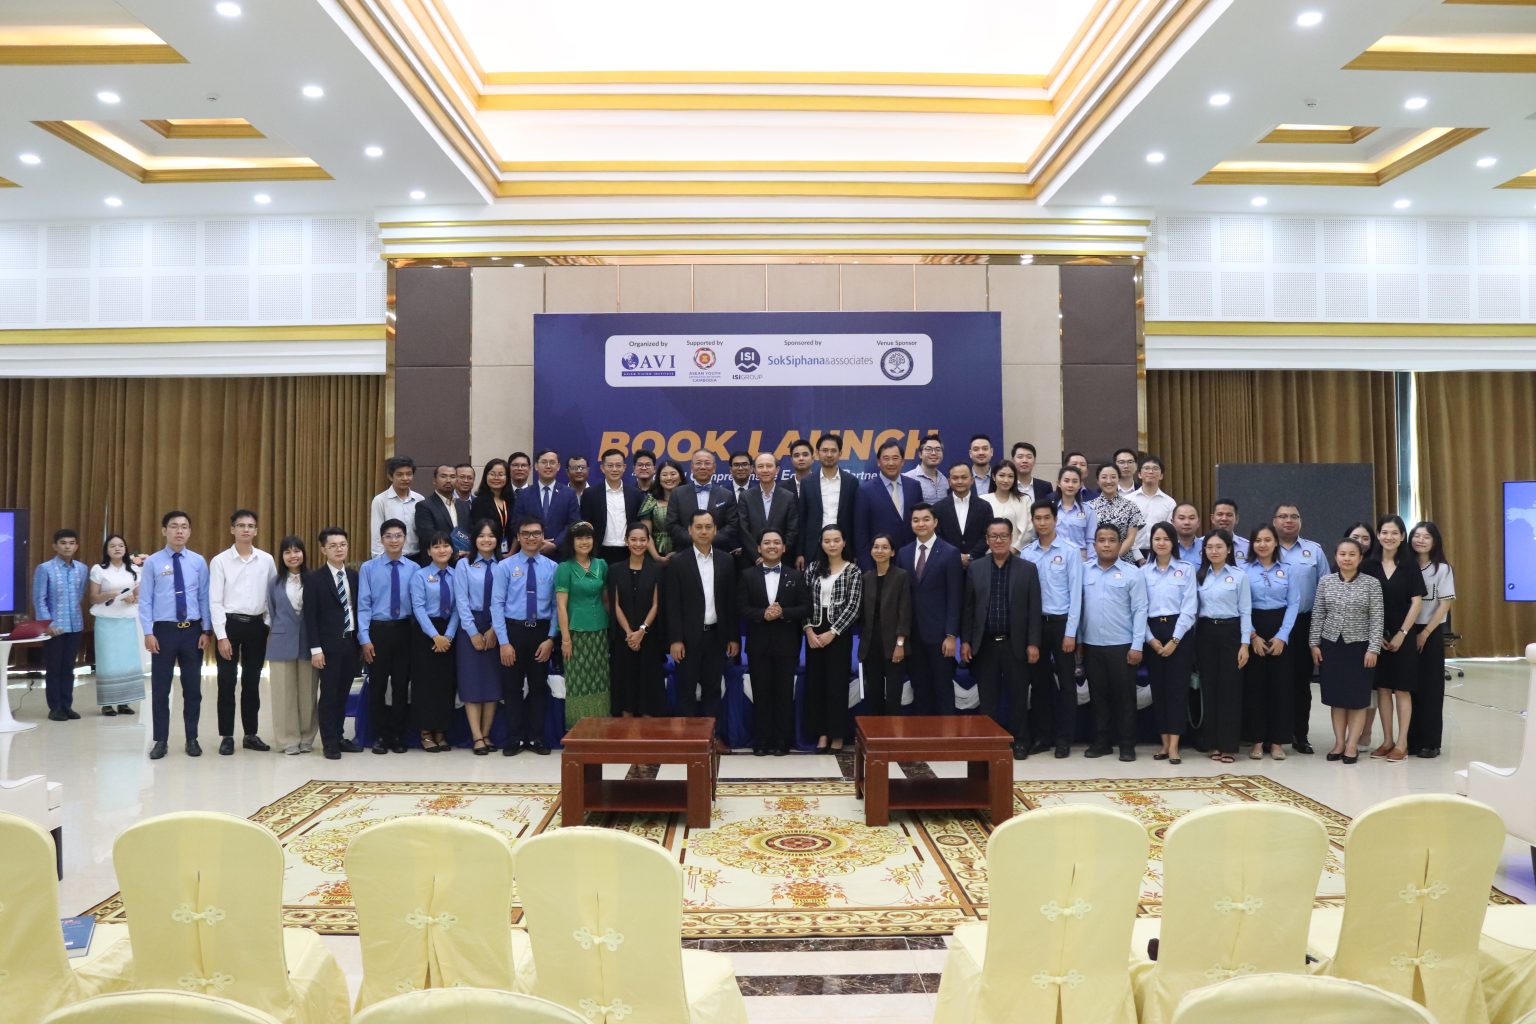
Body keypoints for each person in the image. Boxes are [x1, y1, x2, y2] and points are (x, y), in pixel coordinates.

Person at [961, 518, 1042, 758]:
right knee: (988, 699)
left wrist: (1033, 642)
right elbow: (968, 608)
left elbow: (1034, 609)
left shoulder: (1027, 569)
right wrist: (966, 641)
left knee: (1018, 697)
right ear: (987, 540)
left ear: (1011, 538)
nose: (999, 540)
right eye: (994, 536)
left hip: (1015, 644)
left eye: (1003, 535)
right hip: (985, 645)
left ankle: (1020, 742)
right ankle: (990, 742)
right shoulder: (975, 568)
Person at [666, 509, 740, 752]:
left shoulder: (726, 560)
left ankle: (712, 738)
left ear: (715, 530)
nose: (704, 531)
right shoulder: (678, 561)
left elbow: (730, 602)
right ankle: (688, 740)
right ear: (689, 530)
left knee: (713, 689)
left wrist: (733, 637)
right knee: (686, 690)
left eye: (708, 527)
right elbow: (672, 604)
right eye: (698, 527)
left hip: (717, 635)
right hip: (688, 639)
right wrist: (675, 639)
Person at [140, 511, 212, 759]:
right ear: (164, 531)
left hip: (192, 632)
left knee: (192, 689)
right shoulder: (153, 562)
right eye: (174, 526)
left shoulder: (198, 562)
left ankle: (192, 738)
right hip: (164, 632)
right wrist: (148, 632)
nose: (179, 531)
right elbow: (145, 600)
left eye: (184, 526)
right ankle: (160, 740)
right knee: (160, 689)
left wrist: (206, 630)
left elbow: (204, 597)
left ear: (189, 531)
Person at [1310, 538, 1384, 765]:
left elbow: (1377, 618)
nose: (1347, 558)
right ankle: (1339, 743)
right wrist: (1314, 644)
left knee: (1357, 699)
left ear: (1360, 558)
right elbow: (1318, 614)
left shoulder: (1372, 584)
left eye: (1352, 554)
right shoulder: (1326, 582)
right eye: (1342, 554)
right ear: (1336, 557)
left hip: (1360, 648)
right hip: (1331, 646)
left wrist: (1373, 648)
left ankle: (1352, 745)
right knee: (1337, 699)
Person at [209, 509, 276, 755]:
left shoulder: (266, 560)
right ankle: (227, 736)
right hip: (230, 625)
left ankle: (251, 734)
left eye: (250, 526)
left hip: (257, 626)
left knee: (252, 682)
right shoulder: (220, 561)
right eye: (241, 525)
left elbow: (273, 596)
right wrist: (222, 636)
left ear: (256, 531)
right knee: (226, 683)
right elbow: (215, 601)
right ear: (232, 529)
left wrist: (268, 625)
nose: (246, 529)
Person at [1079, 523, 1148, 761]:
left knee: (1125, 698)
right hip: (1092, 645)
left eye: (1111, 540)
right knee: (1098, 697)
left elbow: (1140, 610)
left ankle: (1127, 744)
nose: (1106, 545)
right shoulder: (1084, 571)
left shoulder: (1133, 573)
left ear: (1120, 544)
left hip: (1123, 645)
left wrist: (1137, 645)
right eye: (1101, 540)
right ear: (1095, 544)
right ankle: (1102, 743)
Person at [1022, 501, 1084, 758]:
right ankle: (1043, 737)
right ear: (1033, 521)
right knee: (1038, 684)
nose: (1042, 522)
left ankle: (1064, 739)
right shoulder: (1027, 553)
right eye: (1037, 518)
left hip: (1061, 624)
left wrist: (1071, 633)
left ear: (1055, 520)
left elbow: (1076, 595)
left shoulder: (1070, 551)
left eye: (1047, 518)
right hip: (1036, 625)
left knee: (1067, 684)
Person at [741, 527, 810, 754]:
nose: (772, 546)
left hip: (787, 644)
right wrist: (763, 614)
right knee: (761, 693)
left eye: (776, 542)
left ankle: (782, 741)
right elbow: (740, 608)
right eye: (767, 542)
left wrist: (783, 613)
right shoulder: (747, 575)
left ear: (784, 548)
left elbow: (805, 608)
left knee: (783, 693)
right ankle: (761, 740)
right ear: (759, 548)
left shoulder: (796, 576)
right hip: (758, 644)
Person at [493, 518, 559, 756]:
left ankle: (536, 737)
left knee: (539, 686)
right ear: (518, 537)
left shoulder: (553, 567)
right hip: (513, 631)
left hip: (541, 632)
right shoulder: (505, 566)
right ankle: (515, 738)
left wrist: (551, 638)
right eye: (526, 534)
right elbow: (497, 605)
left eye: (536, 533)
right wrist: (504, 642)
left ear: (543, 537)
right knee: (512, 687)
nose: (531, 538)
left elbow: (556, 606)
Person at [1367, 514, 1427, 763]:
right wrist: (1376, 634)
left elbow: (1417, 602)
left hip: (1404, 635)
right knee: (1383, 689)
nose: (1389, 537)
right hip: (1377, 635)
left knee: (1402, 689)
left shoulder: (1410, 566)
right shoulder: (1368, 566)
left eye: (1394, 533)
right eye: (1384, 532)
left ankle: (1402, 743)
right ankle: (1387, 740)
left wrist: (1402, 633)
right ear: (1378, 535)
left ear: (1402, 536)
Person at [358, 519, 419, 755]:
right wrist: (365, 638)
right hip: (378, 631)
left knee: (402, 686)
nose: (394, 540)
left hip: (405, 631)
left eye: (398, 536)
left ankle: (398, 735)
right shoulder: (369, 568)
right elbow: (363, 605)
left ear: (405, 539)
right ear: (381, 540)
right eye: (389, 536)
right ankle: (380, 736)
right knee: (378, 685)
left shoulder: (414, 569)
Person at [896, 503, 962, 715]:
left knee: (943, 690)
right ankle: (923, 734)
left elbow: (955, 596)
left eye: (926, 519)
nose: (921, 524)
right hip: (913, 635)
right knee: (920, 690)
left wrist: (951, 635)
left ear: (935, 522)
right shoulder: (904, 553)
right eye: (916, 520)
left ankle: (948, 735)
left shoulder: (950, 553)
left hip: (940, 636)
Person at [304, 526, 363, 761]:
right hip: (327, 648)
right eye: (333, 546)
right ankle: (329, 742)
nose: (339, 549)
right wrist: (315, 649)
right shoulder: (314, 579)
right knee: (329, 695)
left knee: (343, 693)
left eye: (343, 545)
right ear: (323, 550)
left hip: (351, 644)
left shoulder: (354, 576)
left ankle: (339, 736)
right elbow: (310, 617)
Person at [1273, 503, 1328, 753]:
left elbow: (1325, 590)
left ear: (1300, 521)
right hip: (1273, 623)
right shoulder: (1265, 547)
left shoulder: (1314, 551)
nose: (1288, 521)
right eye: (1283, 516)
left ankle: (1300, 735)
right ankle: (1273, 735)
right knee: (1274, 682)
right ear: (1274, 521)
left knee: (1301, 683)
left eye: (1294, 516)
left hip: (1304, 623)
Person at [1194, 529, 1252, 763]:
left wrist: (1245, 644)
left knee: (1230, 690)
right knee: (1209, 688)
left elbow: (1246, 611)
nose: (1214, 551)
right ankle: (1212, 743)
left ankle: (1228, 745)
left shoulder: (1239, 576)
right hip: (1205, 633)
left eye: (1219, 547)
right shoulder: (1199, 576)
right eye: (1209, 547)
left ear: (1229, 549)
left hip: (1231, 633)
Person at [1243, 524, 1300, 761]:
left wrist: (1282, 636)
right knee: (1255, 687)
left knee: (1281, 688)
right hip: (1253, 627)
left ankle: (1277, 742)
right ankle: (1257, 740)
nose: (1263, 544)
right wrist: (1252, 636)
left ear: (1275, 542)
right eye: (1258, 540)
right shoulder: (1244, 570)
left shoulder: (1288, 569)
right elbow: (1241, 605)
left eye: (1267, 540)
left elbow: (1294, 603)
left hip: (1281, 629)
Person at [802, 525, 862, 752]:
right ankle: (822, 733)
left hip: (839, 633)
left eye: (836, 540)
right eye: (827, 541)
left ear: (844, 542)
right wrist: (808, 630)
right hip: (814, 631)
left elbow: (853, 607)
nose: (832, 544)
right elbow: (803, 601)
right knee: (816, 684)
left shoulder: (853, 570)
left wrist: (833, 631)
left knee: (837, 684)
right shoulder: (812, 568)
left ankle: (837, 734)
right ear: (821, 543)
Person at [1140, 522, 1196, 764]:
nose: (1161, 543)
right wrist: (1151, 640)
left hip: (1179, 633)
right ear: (1151, 543)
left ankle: (1174, 746)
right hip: (1153, 633)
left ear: (1173, 542)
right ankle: (1163, 743)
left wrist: (1175, 639)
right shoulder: (1143, 573)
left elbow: (1190, 608)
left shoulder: (1186, 570)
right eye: (1157, 539)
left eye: (1166, 539)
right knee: (1159, 690)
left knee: (1176, 691)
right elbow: (1139, 610)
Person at [553, 522, 611, 726]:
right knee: (578, 681)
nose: (584, 542)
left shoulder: (601, 565)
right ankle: (579, 728)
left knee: (600, 679)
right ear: (572, 542)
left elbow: (606, 600)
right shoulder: (564, 568)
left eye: (588, 537)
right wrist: (565, 639)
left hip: (600, 631)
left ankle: (601, 726)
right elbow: (561, 606)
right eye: (579, 538)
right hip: (575, 633)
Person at [454, 520, 503, 753]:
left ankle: (486, 734)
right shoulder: (464, 565)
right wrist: (473, 632)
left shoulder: (503, 565)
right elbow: (461, 601)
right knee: (471, 682)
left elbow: (505, 599)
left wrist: (495, 629)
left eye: (491, 536)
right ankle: (476, 737)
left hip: (496, 625)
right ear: (474, 539)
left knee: (493, 682)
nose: (486, 540)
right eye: (482, 536)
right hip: (469, 625)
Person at [1407, 521, 1454, 758]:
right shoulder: (1405, 565)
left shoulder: (1442, 569)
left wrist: (1425, 634)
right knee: (1410, 688)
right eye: (1417, 536)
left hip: (1430, 631)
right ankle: (1411, 740)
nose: (1420, 540)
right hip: (1407, 630)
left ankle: (1431, 742)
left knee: (1431, 688)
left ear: (1435, 541)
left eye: (1426, 537)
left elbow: (1444, 604)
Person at [267, 535, 317, 754]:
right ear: (282, 556)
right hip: (281, 642)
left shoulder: (314, 580)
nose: (292, 555)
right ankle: (288, 740)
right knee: (283, 693)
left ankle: (306, 737)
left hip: (309, 642)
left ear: (303, 553)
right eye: (287, 552)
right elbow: (271, 611)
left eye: (297, 551)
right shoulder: (274, 583)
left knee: (308, 693)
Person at [609, 522, 664, 717]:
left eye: (642, 540)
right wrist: (629, 633)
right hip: (624, 639)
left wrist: (641, 631)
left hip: (649, 638)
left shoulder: (657, 570)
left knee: (648, 696)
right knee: (626, 694)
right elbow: (615, 605)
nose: (638, 544)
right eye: (633, 539)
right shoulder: (615, 570)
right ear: (626, 541)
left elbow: (656, 604)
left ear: (648, 542)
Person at [409, 531, 458, 752]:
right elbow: (418, 608)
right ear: (428, 551)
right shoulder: (420, 576)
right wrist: (435, 636)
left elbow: (458, 608)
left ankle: (441, 730)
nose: (442, 550)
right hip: (425, 634)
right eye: (436, 546)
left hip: (449, 633)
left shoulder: (457, 575)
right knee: (425, 684)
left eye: (446, 546)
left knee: (445, 684)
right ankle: (425, 732)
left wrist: (448, 636)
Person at [33, 528, 88, 721]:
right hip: (54, 628)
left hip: (75, 625)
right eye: (63, 543)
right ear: (55, 546)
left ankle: (67, 705)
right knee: (54, 667)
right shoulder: (45, 568)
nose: (67, 547)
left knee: (69, 667)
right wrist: (47, 624)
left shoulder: (82, 568)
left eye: (71, 543)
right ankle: (55, 707)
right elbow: (39, 599)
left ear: (76, 546)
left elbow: (80, 594)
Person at [87, 534, 144, 715]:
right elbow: (93, 597)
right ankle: (107, 703)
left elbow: (139, 596)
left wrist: (132, 599)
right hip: (106, 621)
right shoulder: (99, 569)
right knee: (108, 662)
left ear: (125, 549)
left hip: (126, 620)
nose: (117, 548)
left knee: (127, 662)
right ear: (106, 550)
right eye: (112, 546)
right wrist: (111, 594)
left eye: (120, 545)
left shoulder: (133, 569)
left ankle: (124, 702)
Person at [858, 533, 910, 718]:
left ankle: (892, 734)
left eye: (885, 547)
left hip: (894, 642)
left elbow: (905, 612)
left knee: (894, 696)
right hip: (870, 643)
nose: (879, 551)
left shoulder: (901, 576)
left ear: (893, 552)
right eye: (876, 547)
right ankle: (875, 734)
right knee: (874, 695)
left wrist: (900, 643)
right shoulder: (866, 577)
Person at [856, 439, 924, 565]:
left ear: (902, 461)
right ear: (878, 462)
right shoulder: (865, 491)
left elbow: (921, 522)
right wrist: (868, 568)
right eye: (886, 458)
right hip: (880, 562)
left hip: (912, 560)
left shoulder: (914, 486)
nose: (891, 463)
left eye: (895, 458)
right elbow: (861, 533)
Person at [798, 433, 860, 570]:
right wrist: (800, 552)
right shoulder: (807, 483)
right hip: (814, 547)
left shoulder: (851, 482)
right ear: (817, 453)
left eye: (833, 451)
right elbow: (802, 519)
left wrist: (855, 551)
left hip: (843, 547)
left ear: (840, 453)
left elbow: (856, 519)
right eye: (825, 450)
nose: (829, 454)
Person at [665, 449, 738, 554]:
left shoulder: (727, 495)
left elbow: (732, 525)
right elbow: (672, 524)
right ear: (692, 468)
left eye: (707, 463)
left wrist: (709, 540)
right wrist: (695, 540)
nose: (703, 467)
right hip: (685, 552)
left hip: (718, 552)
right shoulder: (677, 493)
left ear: (714, 468)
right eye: (698, 463)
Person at [579, 448, 644, 564]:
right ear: (602, 468)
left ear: (624, 467)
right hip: (599, 553)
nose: (614, 469)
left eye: (618, 465)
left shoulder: (635, 494)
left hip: (629, 552)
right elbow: (585, 525)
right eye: (610, 465)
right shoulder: (590, 494)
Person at [736, 452, 800, 566]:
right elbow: (743, 530)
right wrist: (757, 556)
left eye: (769, 466)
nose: (765, 470)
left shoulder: (788, 497)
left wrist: (777, 554)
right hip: (752, 562)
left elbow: (792, 530)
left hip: (782, 560)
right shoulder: (745, 496)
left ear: (777, 470)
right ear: (754, 470)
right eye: (760, 466)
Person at [515, 449, 581, 557]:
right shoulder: (524, 494)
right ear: (536, 466)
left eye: (552, 462)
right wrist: (535, 541)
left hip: (560, 555)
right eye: (544, 462)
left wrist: (555, 544)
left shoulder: (569, 493)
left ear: (558, 466)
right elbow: (517, 523)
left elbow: (573, 523)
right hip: (530, 553)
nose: (548, 466)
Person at [415, 464, 471, 565]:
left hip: (463, 562)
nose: (448, 480)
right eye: (443, 476)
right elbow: (428, 537)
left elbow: (469, 532)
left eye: (452, 476)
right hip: (437, 563)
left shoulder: (464, 505)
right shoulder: (424, 506)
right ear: (434, 480)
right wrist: (454, 551)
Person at [369, 456, 424, 559]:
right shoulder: (380, 500)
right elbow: (377, 533)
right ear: (390, 477)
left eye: (409, 474)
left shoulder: (419, 499)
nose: (405, 478)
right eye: (399, 474)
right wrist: (378, 559)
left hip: (416, 557)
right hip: (391, 557)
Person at [1087, 465, 1144, 564]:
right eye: (1104, 477)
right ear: (1098, 481)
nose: (1109, 481)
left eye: (1113, 477)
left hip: (1124, 562)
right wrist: (1101, 559)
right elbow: (1089, 538)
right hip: (1096, 562)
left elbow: (1131, 538)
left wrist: (1114, 558)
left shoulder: (1131, 506)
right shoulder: (1089, 507)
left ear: (1118, 479)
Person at [933, 462, 987, 566]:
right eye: (955, 478)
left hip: (978, 564)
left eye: (964, 477)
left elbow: (987, 535)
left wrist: (971, 556)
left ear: (972, 480)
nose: (960, 481)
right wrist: (955, 556)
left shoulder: (984, 506)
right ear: (949, 481)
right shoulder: (938, 508)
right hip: (947, 564)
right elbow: (937, 536)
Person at [1128, 456, 1176, 561]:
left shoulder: (1169, 502)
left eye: (1155, 468)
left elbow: (1170, 532)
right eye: (1146, 468)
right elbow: (1124, 531)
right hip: (1130, 553)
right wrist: (1138, 557)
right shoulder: (1128, 500)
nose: (1151, 472)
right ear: (1139, 474)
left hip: (1159, 554)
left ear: (1161, 476)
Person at [980, 462, 1032, 551]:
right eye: (1001, 475)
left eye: (1010, 476)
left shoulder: (1024, 500)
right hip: (988, 554)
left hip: (1017, 553)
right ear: (993, 477)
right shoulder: (983, 500)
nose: (1006, 480)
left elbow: (1029, 529)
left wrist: (1014, 549)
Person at [470, 458, 515, 554]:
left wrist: (511, 553)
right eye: (492, 474)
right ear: (485, 476)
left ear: (507, 477)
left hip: (511, 552)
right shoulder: (478, 502)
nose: (496, 478)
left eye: (501, 475)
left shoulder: (513, 500)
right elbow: (477, 530)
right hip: (487, 551)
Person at [641, 459, 683, 560]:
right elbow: (645, 534)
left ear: (680, 477)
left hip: (684, 555)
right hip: (654, 558)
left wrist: (680, 553)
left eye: (673, 474)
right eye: (664, 475)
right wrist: (657, 557)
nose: (669, 478)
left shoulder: (689, 499)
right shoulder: (650, 501)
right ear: (658, 478)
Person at [1052, 466, 1092, 556]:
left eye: (1075, 481)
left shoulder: (1088, 510)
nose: (1070, 485)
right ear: (1059, 483)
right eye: (1066, 481)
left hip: (1080, 556)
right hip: (1055, 555)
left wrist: (1091, 561)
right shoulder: (1050, 509)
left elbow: (1091, 540)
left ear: (1080, 484)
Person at [905, 434, 948, 503]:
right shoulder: (907, 478)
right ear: (920, 454)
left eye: (938, 449)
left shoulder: (944, 480)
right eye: (928, 449)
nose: (934, 453)